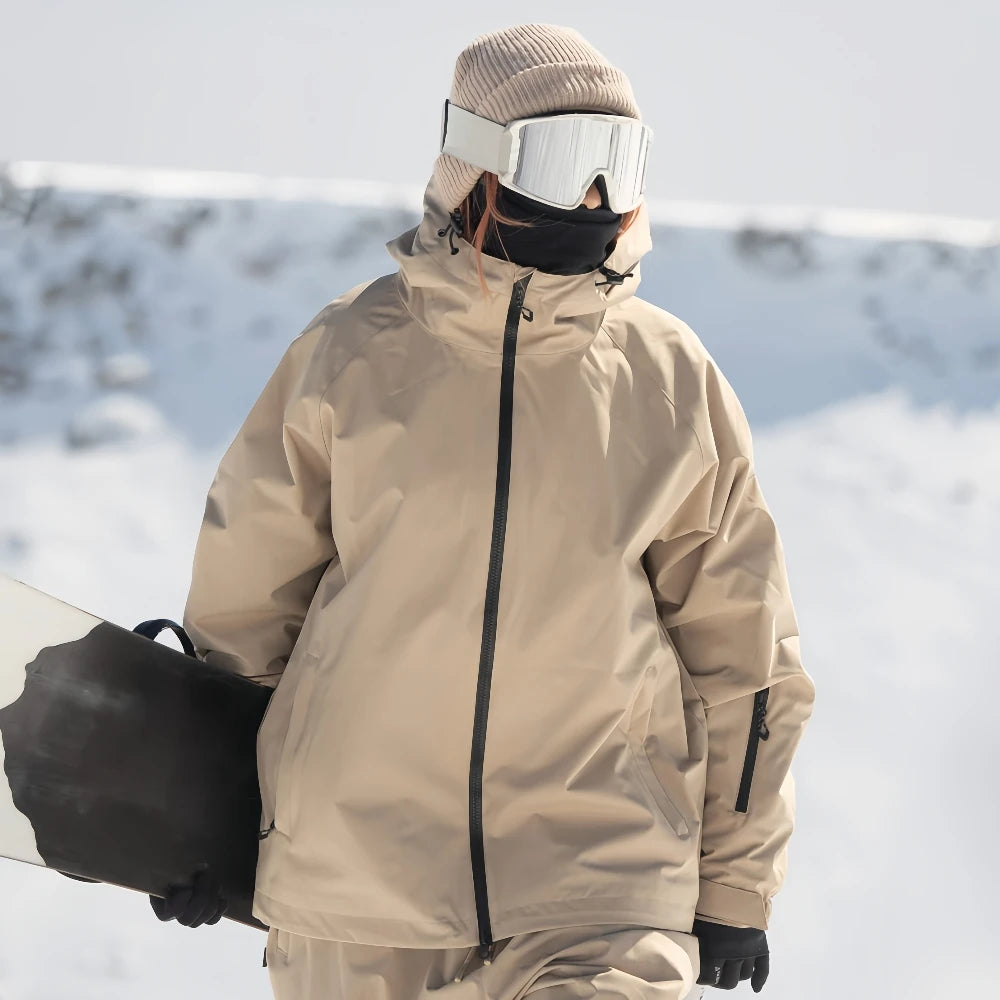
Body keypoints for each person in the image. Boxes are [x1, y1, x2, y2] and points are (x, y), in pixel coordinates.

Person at [153, 22, 816, 999]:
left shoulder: (667, 377)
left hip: (599, 879)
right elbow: (243, 620)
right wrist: (199, 821)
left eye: (619, 163)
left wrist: (737, 882)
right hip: (356, 891)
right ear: (478, 166)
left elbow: (747, 657)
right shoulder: (353, 352)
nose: (595, 199)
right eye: (566, 159)